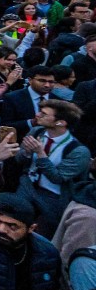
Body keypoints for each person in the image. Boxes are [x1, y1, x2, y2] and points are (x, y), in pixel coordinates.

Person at [14, 99, 91, 238]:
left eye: (44, 114)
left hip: (53, 198)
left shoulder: (78, 151)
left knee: (41, 235)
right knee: (14, 223)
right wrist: (25, 152)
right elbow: (19, 160)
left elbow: (58, 177)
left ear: (60, 122)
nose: (38, 115)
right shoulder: (37, 131)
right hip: (27, 186)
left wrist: (40, 154)